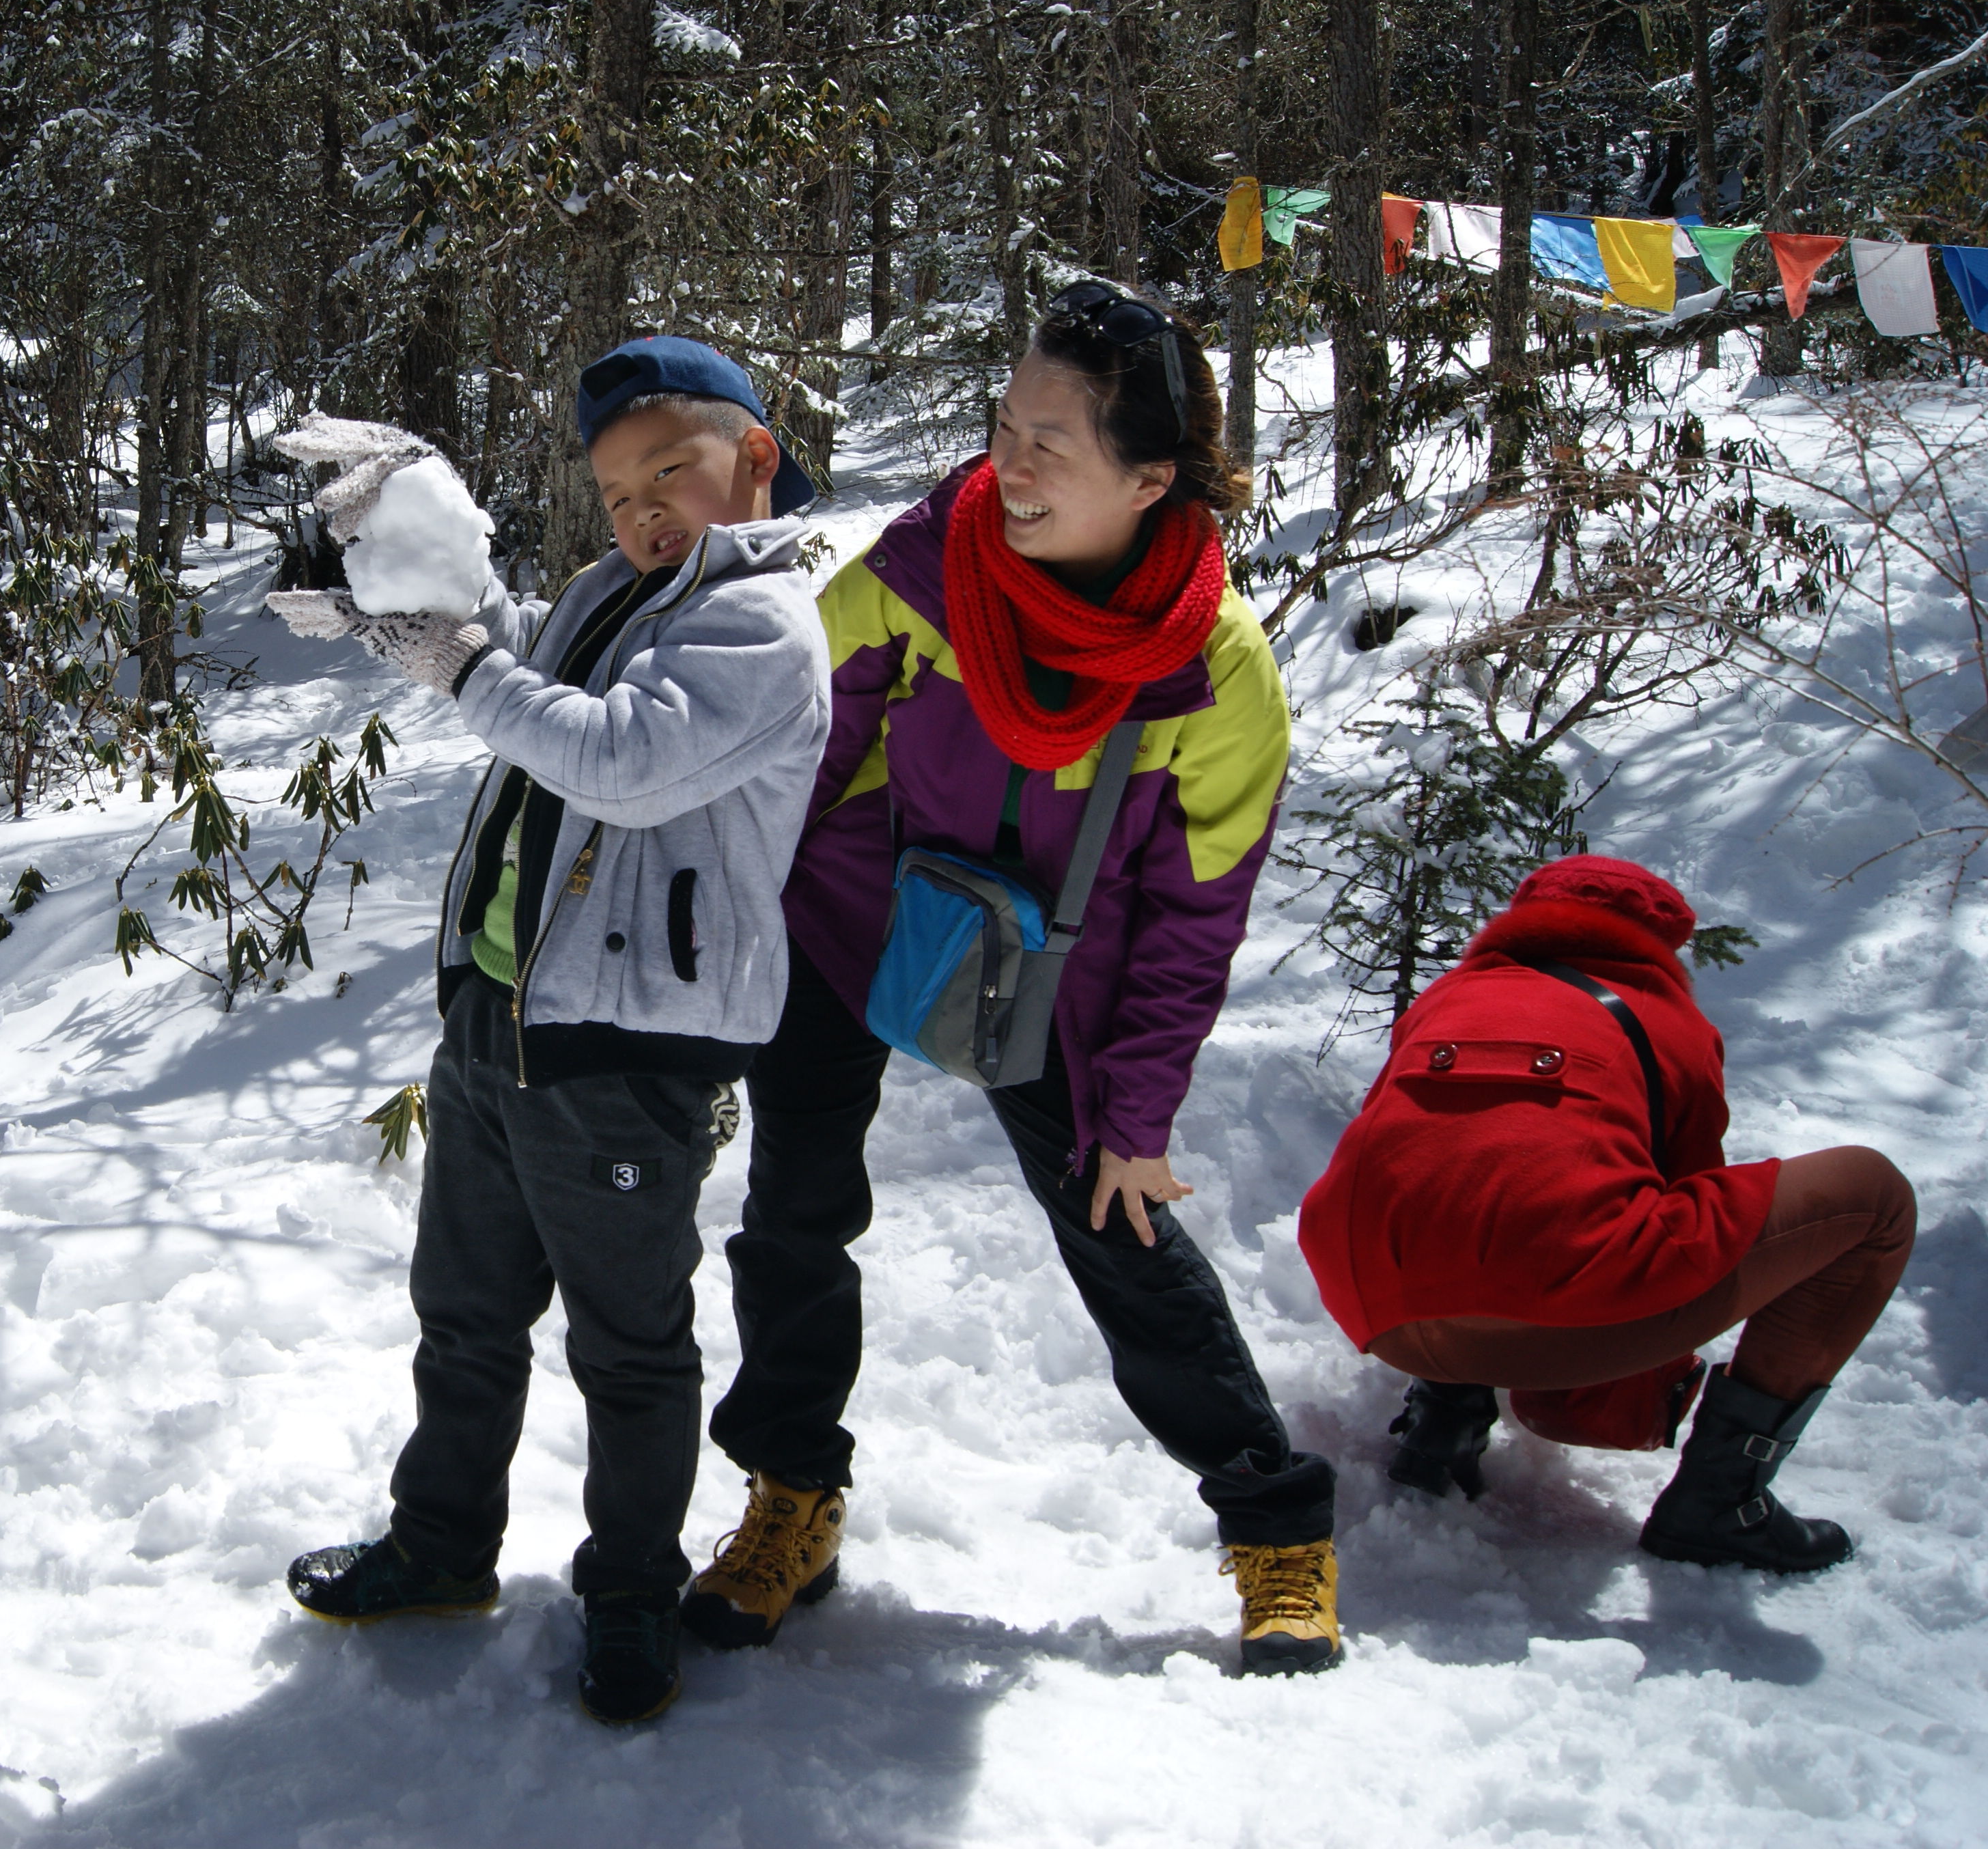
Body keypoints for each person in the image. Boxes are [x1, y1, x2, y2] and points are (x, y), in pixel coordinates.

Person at [691, 281, 1344, 1677]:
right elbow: (805, 750)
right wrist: (737, 933)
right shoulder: (922, 571)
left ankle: (1273, 1526)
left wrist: (1142, 1111)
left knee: (1120, 1221)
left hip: (1052, 972)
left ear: (1149, 477)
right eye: (1005, 424)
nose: (1013, 461)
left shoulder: (1217, 675)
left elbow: (1189, 914)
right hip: (850, 919)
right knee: (792, 1211)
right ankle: (789, 1499)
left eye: (1054, 439)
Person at [271, 337, 832, 1724]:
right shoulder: (615, 588)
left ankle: (631, 1591)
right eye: (615, 489)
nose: (641, 510)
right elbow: (532, 670)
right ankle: (441, 1546)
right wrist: (407, 592)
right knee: (463, 1317)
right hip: (500, 1015)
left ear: (753, 458)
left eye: (670, 474)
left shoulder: (762, 625)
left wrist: (462, 668)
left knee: (628, 1348)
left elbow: (619, 761)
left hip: (627, 1051)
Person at [1298, 854, 1914, 1570]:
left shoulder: (1450, 995)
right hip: (1563, 1319)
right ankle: (1721, 1499)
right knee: (1874, 1195)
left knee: (1472, 1167)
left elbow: (1430, 1165)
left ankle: (1441, 1423)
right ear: (1657, 942)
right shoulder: (1667, 1021)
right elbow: (1687, 1218)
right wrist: (1624, 1391)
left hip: (1377, 1312)